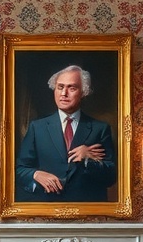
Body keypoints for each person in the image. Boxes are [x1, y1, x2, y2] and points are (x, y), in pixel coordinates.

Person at [15, 65, 116, 202]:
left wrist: (87, 160)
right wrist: (36, 174)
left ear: (83, 92)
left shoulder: (100, 129)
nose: (64, 93)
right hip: (46, 210)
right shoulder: (37, 127)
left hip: (88, 210)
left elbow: (111, 177)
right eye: (60, 87)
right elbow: (19, 170)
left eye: (72, 88)